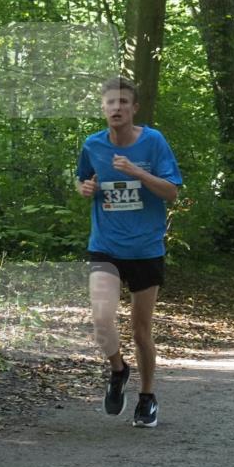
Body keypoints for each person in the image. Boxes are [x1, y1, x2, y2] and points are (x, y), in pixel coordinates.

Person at [76, 77, 182, 428]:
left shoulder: (153, 142)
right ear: (103, 108)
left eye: (123, 102)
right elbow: (82, 181)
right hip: (105, 246)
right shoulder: (93, 145)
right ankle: (118, 370)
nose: (116, 108)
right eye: (110, 103)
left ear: (134, 108)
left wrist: (136, 172)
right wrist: (86, 187)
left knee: (140, 330)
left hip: (145, 248)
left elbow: (172, 193)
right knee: (101, 321)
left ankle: (148, 397)